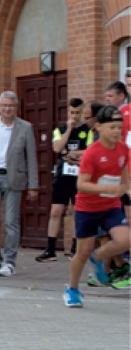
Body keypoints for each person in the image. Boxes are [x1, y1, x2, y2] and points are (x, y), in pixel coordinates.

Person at [63, 105, 130, 307]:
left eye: (119, 127)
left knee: (125, 239)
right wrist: (107, 189)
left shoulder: (123, 150)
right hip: (87, 208)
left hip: (110, 207)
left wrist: (124, 189)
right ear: (99, 127)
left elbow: (124, 177)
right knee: (82, 253)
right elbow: (81, 184)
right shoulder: (92, 153)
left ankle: (100, 256)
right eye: (112, 127)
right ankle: (72, 290)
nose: (117, 131)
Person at [0, 91, 39, 277]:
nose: (7, 109)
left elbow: (32, 158)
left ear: (16, 107)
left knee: (12, 221)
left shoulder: (25, 128)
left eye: (11, 105)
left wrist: (33, 185)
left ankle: (9, 262)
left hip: (14, 178)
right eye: (4, 105)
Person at [37, 99, 91, 262]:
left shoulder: (87, 131)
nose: (74, 116)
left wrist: (74, 154)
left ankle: (75, 248)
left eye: (77, 113)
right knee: (55, 211)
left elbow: (89, 150)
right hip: (62, 176)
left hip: (79, 176)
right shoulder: (59, 130)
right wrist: (69, 129)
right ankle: (51, 249)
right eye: (72, 113)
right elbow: (57, 148)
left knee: (77, 212)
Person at [103, 81, 131, 224]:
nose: (107, 99)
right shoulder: (120, 113)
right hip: (124, 169)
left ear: (121, 96)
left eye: (110, 96)